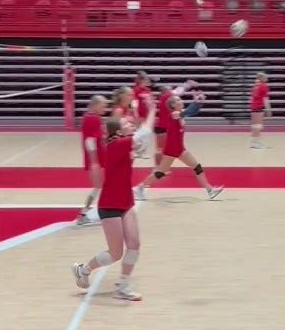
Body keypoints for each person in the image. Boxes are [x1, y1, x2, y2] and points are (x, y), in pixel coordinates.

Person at [72, 96, 156, 301]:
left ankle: (123, 286)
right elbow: (144, 132)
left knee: (134, 244)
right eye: (126, 123)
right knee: (115, 253)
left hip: (126, 202)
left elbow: (140, 142)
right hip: (109, 205)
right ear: (118, 131)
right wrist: (153, 109)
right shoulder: (117, 145)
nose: (130, 123)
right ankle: (84, 269)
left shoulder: (123, 144)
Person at [134, 91, 223, 201]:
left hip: (180, 149)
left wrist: (200, 102)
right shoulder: (174, 114)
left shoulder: (181, 114)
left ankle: (210, 190)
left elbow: (193, 112)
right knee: (160, 173)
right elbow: (190, 110)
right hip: (171, 150)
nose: (181, 101)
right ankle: (140, 188)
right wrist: (196, 101)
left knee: (197, 167)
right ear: (173, 105)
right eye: (178, 100)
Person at [77, 94, 108, 226]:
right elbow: (90, 141)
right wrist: (94, 162)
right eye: (103, 106)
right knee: (99, 187)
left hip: (98, 158)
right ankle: (83, 214)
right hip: (97, 160)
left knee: (101, 187)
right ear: (95, 105)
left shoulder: (90, 117)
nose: (105, 108)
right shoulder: (93, 119)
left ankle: (88, 213)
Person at [154, 79, 197, 167]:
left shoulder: (162, 98)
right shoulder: (168, 96)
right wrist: (188, 84)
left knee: (159, 149)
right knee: (168, 149)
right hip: (166, 126)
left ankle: (158, 167)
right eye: (169, 88)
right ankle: (161, 168)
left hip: (159, 125)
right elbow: (178, 91)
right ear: (166, 90)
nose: (171, 88)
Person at [250, 72, 271, 149]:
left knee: (254, 126)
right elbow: (265, 99)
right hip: (259, 107)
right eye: (265, 77)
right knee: (259, 126)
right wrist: (268, 109)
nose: (267, 79)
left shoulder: (255, 86)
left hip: (253, 106)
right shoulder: (264, 86)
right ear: (262, 78)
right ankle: (257, 143)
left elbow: (252, 98)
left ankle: (253, 142)